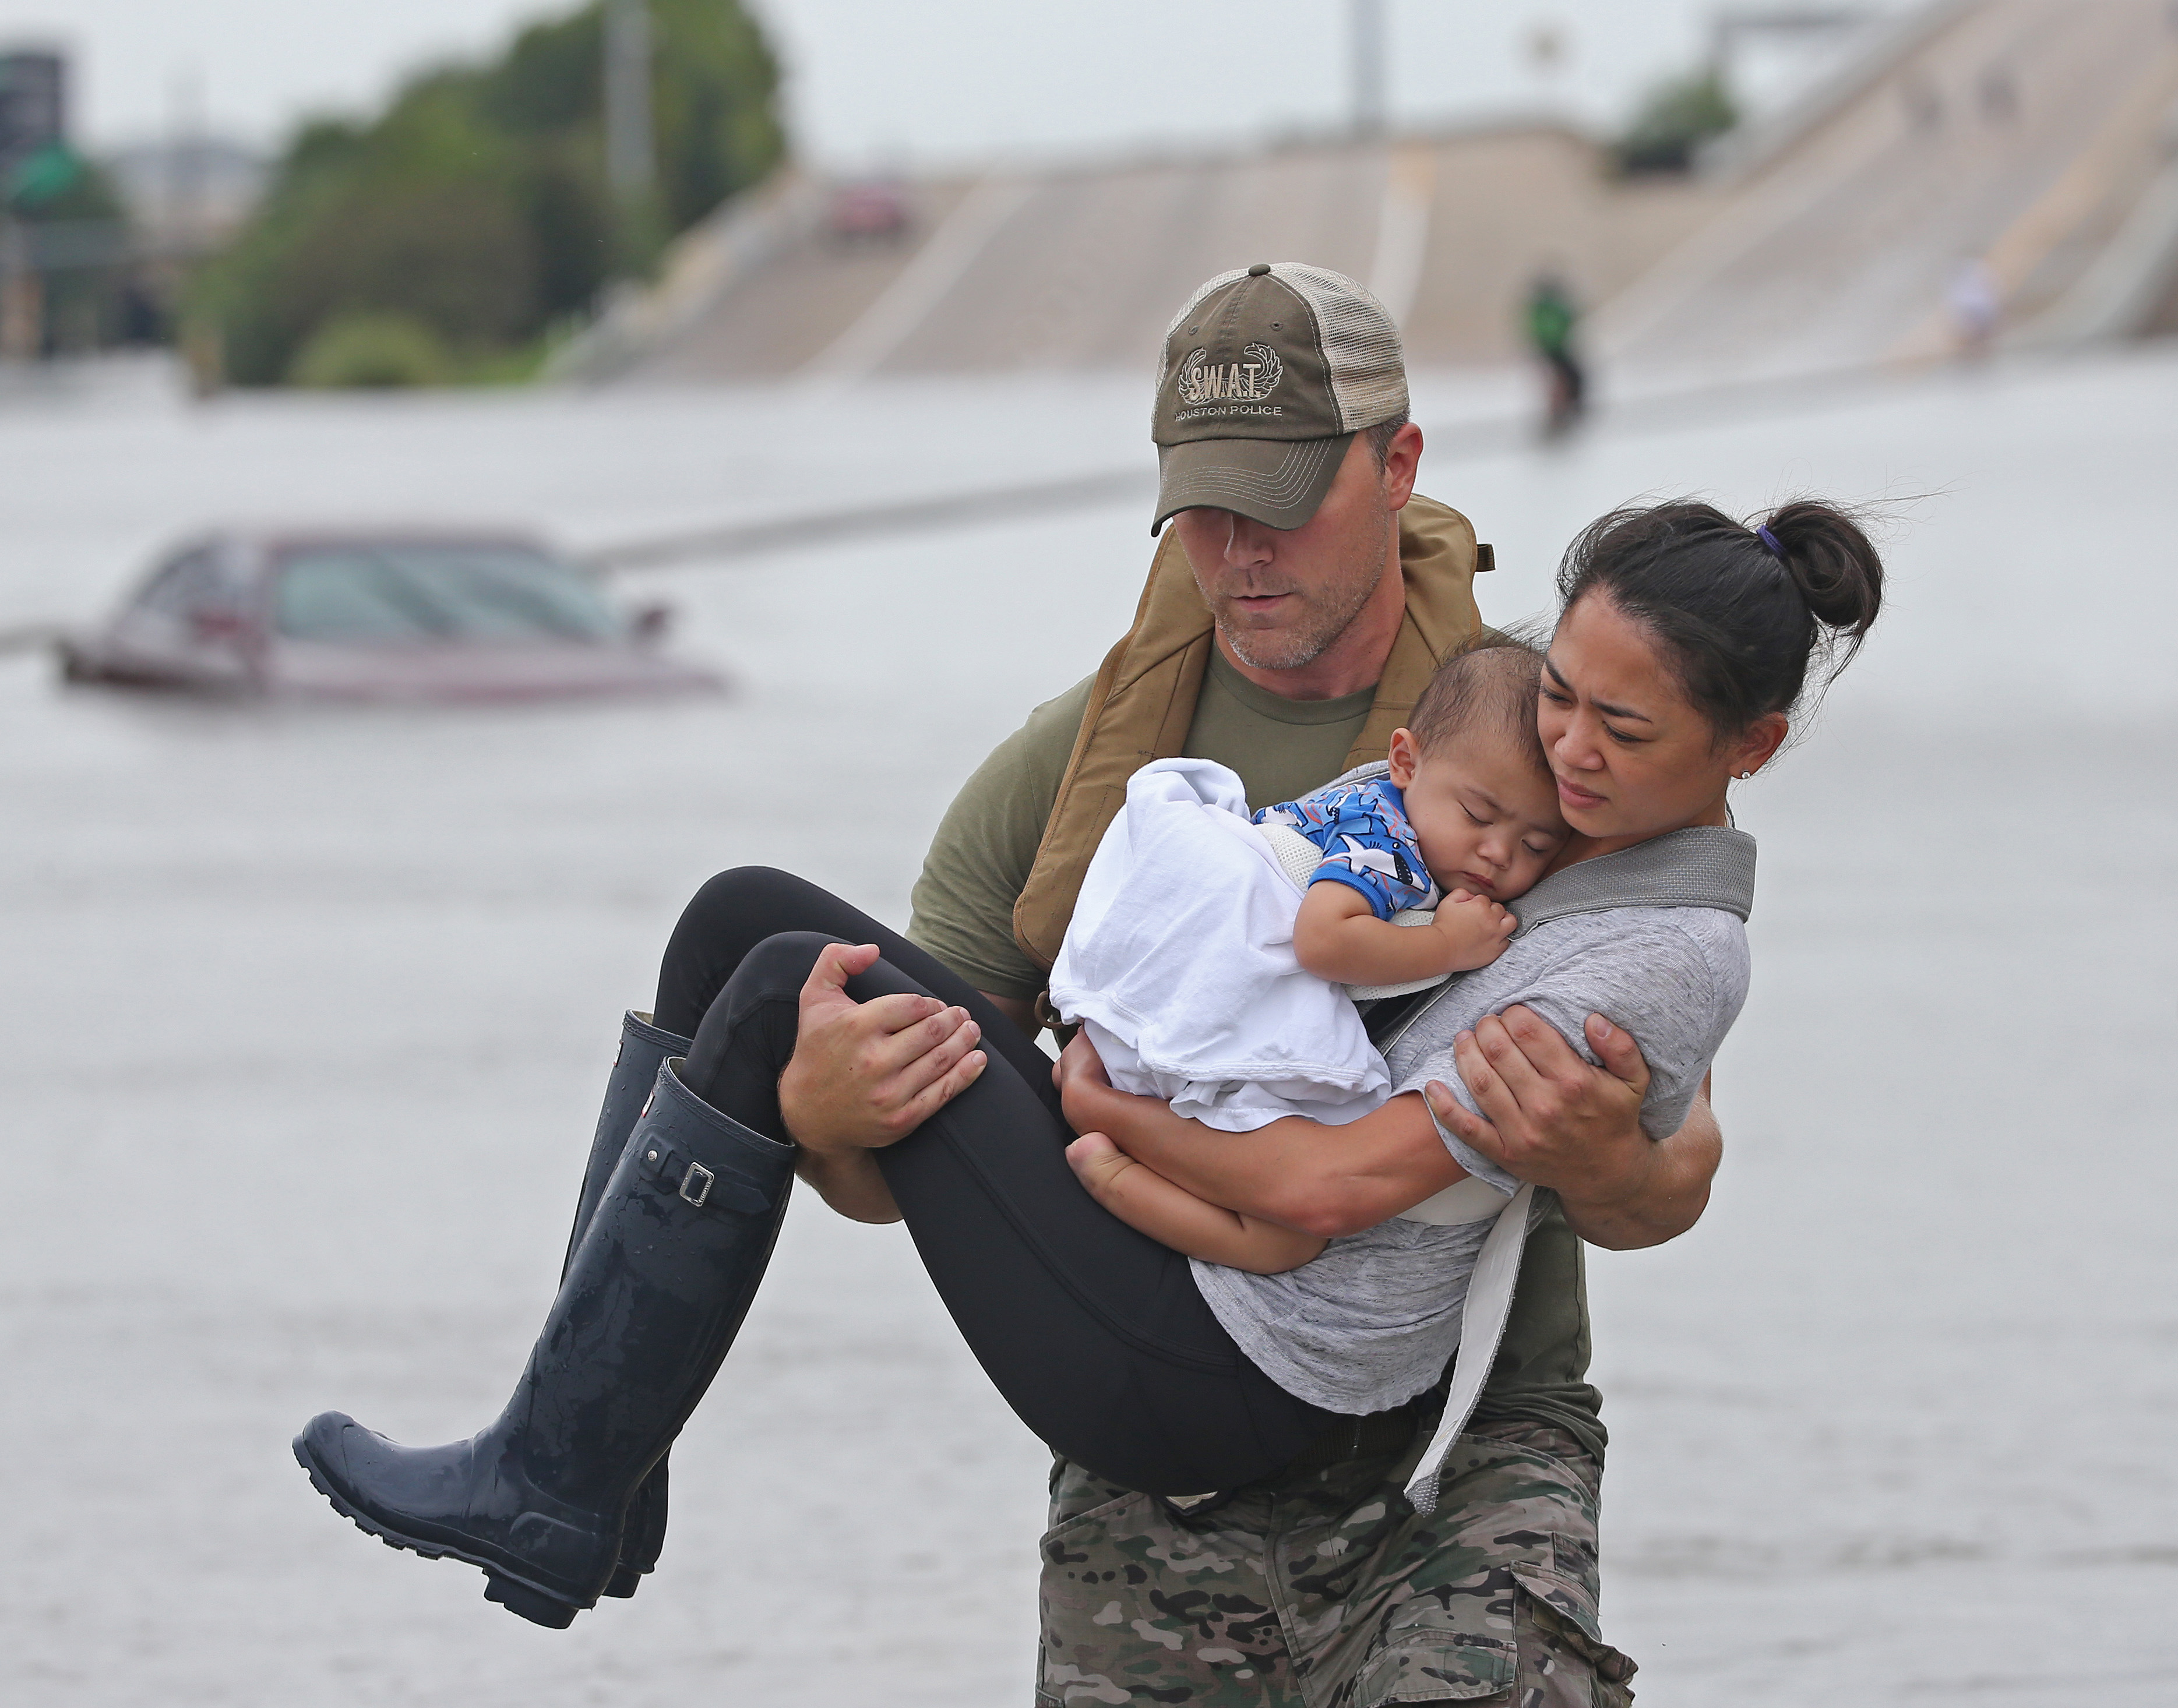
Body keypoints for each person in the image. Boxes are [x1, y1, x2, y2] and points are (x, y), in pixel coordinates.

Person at [291, 263, 1859, 1705]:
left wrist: (1608, 1156)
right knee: (745, 938)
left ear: (1397, 468)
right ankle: (583, 1476)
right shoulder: (1080, 766)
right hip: (1167, 1365)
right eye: (1200, 513)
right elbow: (902, 1175)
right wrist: (816, 1109)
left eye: (1278, 507)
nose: (1236, 556)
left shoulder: (1538, 740)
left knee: (776, 970)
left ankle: (559, 1480)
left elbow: (1671, 1152)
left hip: (1444, 1417)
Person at [1055, 644, 1570, 1274]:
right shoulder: (1385, 841)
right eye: (1478, 815)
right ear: (1405, 761)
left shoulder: (1392, 818)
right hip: (1224, 956)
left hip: (1189, 956)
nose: (1496, 853)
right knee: (1282, 1241)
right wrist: (1447, 945)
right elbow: (1323, 942)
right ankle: (1111, 1174)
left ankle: (1122, 1153)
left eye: (1535, 844)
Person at [1524, 272, 1586, 436]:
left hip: (1557, 346)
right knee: (1561, 379)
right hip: (1552, 347)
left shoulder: (1546, 308)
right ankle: (1562, 413)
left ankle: (1569, 410)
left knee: (1568, 377)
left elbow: (1566, 320)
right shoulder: (1544, 308)